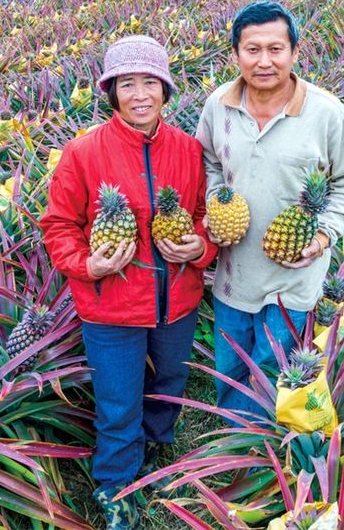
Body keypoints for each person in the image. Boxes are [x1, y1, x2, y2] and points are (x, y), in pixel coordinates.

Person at [40, 35, 217, 530]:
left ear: (165, 88)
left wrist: (201, 247)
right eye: (127, 84)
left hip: (178, 299)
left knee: (169, 383)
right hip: (110, 304)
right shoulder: (83, 152)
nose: (140, 94)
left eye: (150, 83)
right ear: (111, 92)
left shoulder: (187, 149)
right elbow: (58, 223)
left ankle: (156, 450)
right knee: (118, 398)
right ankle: (115, 481)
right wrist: (86, 265)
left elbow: (206, 214)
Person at [196, 1, 344, 421]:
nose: (264, 61)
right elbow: (207, 163)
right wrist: (219, 203)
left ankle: (258, 451)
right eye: (252, 49)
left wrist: (324, 233)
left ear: (294, 51)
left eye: (276, 49)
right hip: (234, 274)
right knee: (231, 367)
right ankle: (229, 440)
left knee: (273, 367)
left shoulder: (326, 113)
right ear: (235, 53)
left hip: (294, 277)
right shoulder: (218, 105)